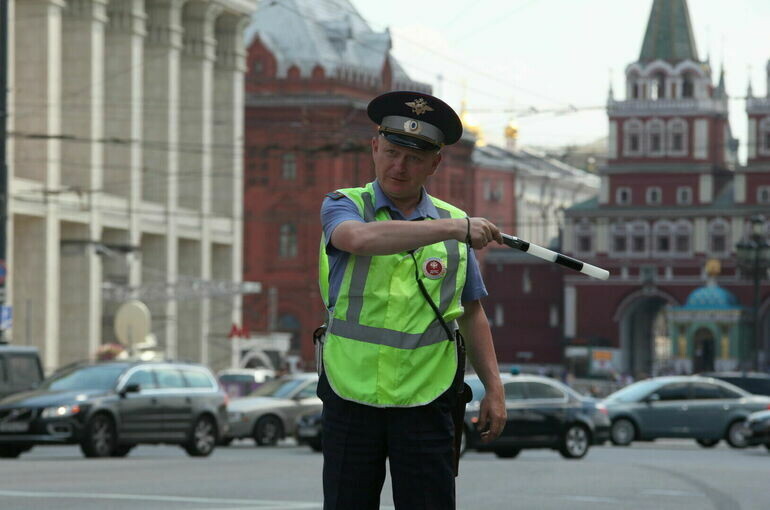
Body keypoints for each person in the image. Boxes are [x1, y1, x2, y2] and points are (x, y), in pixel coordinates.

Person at [317, 90, 507, 510]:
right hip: (351, 394)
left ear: (435, 163)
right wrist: (453, 229)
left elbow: (472, 312)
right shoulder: (345, 205)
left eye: (414, 158)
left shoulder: (455, 222)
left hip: (427, 398)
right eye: (390, 152)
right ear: (374, 147)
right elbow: (358, 239)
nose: (398, 166)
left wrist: (494, 388)